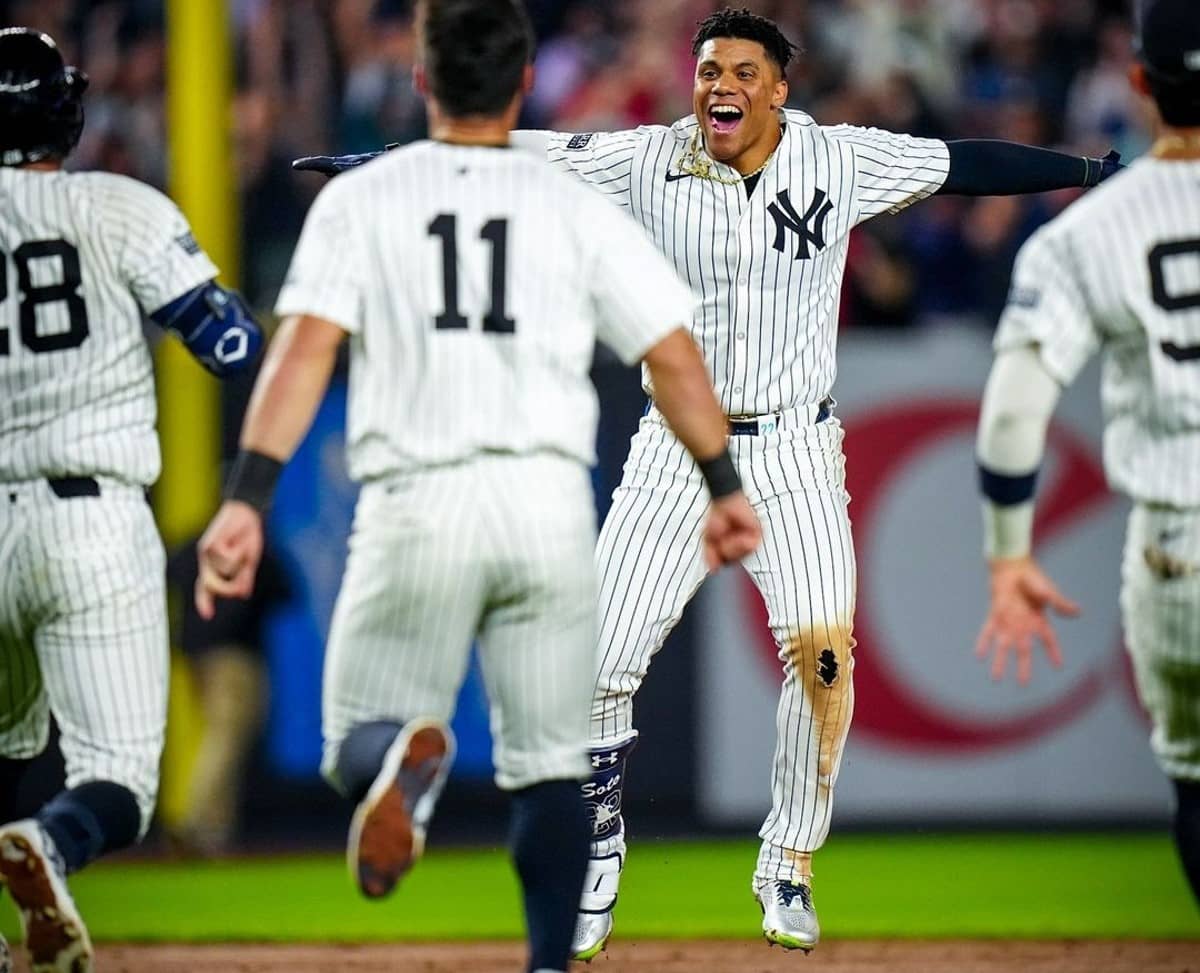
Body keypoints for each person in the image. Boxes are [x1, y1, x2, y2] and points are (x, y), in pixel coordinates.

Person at [294, 6, 1124, 957]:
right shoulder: (652, 159)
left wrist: (1088, 173)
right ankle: (600, 840)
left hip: (798, 450)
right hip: (674, 452)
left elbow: (966, 161)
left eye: (740, 71)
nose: (719, 86)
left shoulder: (840, 158)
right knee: (599, 665)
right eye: (707, 70)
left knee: (823, 655)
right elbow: (520, 153)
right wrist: (382, 166)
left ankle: (789, 863)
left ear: (779, 86)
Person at [194, 2, 761, 972]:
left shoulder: (364, 198)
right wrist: (723, 483)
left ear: (420, 79)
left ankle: (400, 759)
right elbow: (671, 354)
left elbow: (301, 357)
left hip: (415, 499)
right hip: (543, 505)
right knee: (551, 770)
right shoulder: (574, 204)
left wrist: (247, 496)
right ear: (524, 82)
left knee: (349, 743)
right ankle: (548, 962)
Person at [0, 27, 263, 973]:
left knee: (3, 740)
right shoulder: (116, 206)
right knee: (116, 780)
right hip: (92, 514)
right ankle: (53, 844)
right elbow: (228, 346)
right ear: (65, 112)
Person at [974, 0, 1200, 910]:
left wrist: (1007, 555)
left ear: (1138, 82)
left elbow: (1011, 421)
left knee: (1192, 773)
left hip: (1180, 548)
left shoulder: (1083, 233)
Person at [164, 537, 291, 857]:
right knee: (225, 739)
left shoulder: (197, 539)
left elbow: (166, 573)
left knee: (221, 738)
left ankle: (213, 835)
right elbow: (285, 590)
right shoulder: (253, 543)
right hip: (235, 655)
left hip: (198, 657)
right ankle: (193, 822)